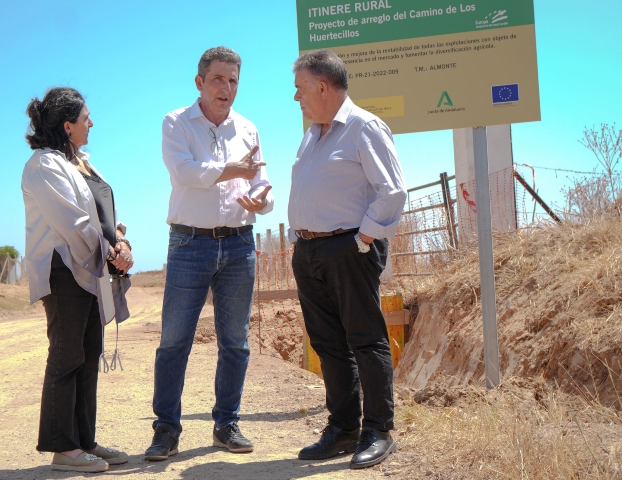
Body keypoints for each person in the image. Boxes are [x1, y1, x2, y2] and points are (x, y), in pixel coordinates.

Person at [144, 46, 274, 461]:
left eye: (233, 80)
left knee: (235, 341)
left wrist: (261, 201)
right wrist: (236, 171)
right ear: (199, 82)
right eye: (218, 79)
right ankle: (166, 430)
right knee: (173, 342)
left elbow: (261, 185)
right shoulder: (176, 122)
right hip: (189, 244)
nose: (227, 88)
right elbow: (184, 172)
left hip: (239, 243)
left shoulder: (249, 128)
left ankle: (226, 424)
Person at [288, 50, 407, 469]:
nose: (296, 97)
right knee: (328, 343)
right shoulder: (312, 135)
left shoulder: (363, 126)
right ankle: (343, 429)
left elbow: (391, 189)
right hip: (310, 252)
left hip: (348, 248)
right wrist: (298, 239)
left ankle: (378, 429)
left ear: (322, 86)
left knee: (364, 339)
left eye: (300, 87)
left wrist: (364, 238)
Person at [21, 87, 133, 472]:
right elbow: (73, 224)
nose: (92, 123)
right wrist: (111, 253)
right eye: (87, 118)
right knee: (67, 355)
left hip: (89, 267)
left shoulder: (83, 163)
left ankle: (85, 442)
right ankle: (63, 448)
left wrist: (119, 241)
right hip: (64, 269)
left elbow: (101, 218)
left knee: (87, 357)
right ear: (68, 125)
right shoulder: (43, 165)